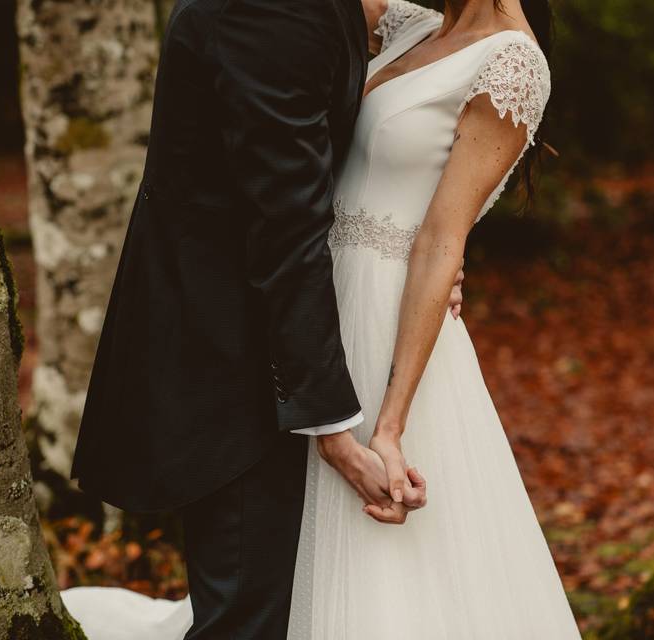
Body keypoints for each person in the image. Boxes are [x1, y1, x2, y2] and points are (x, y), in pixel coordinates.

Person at [64, 0, 580, 637]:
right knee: (288, 562)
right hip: (310, 318)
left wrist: (387, 426)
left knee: (370, 567)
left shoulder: (513, 62)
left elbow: (440, 240)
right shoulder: (411, 24)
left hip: (383, 324)